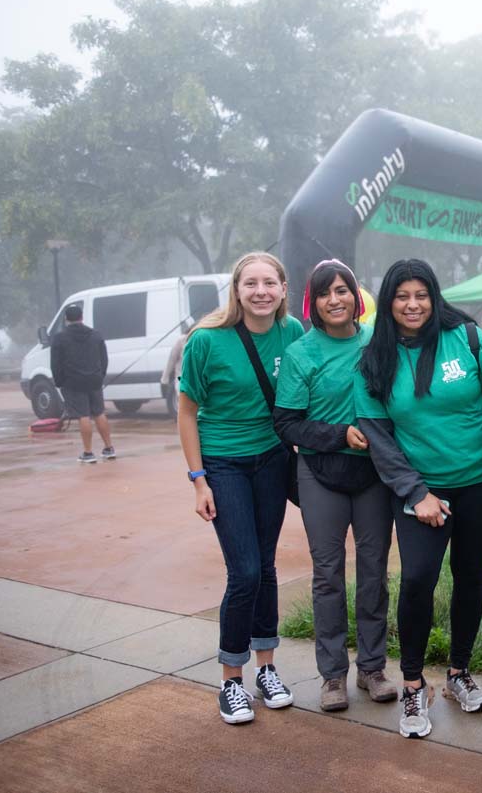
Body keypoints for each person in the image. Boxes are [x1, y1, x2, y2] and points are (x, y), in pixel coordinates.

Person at [355, 258, 482, 739]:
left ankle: (458, 672)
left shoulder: (468, 338)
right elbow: (377, 435)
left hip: (480, 482)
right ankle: (415, 684)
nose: (412, 305)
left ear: (434, 296)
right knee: (417, 579)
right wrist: (418, 494)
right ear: (389, 302)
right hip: (418, 490)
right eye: (401, 296)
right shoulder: (375, 359)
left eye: (421, 295)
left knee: (470, 576)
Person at [177, 251, 305, 725]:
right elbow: (187, 413)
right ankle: (231, 680)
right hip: (224, 465)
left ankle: (266, 669)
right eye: (250, 283)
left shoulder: (292, 334)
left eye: (269, 282)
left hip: (272, 461)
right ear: (236, 290)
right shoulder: (206, 340)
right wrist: (198, 480)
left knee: (266, 567)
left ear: (283, 288)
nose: (260, 292)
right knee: (245, 570)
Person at [273, 259, 397, 712]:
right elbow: (286, 423)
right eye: (325, 293)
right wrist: (338, 435)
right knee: (327, 575)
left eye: (343, 290)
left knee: (373, 571)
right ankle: (332, 676)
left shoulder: (376, 341)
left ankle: (372, 668)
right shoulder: (303, 353)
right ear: (314, 303)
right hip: (321, 473)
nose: (335, 299)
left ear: (356, 296)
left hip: (373, 475)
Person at [50, 302, 114, 462]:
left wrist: (59, 382)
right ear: (82, 317)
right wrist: (100, 376)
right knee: (99, 413)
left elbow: (55, 363)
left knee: (83, 415)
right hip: (94, 380)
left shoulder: (59, 338)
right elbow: (104, 359)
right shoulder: (96, 335)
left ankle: (88, 452)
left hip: (73, 382)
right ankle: (109, 448)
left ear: (66, 319)